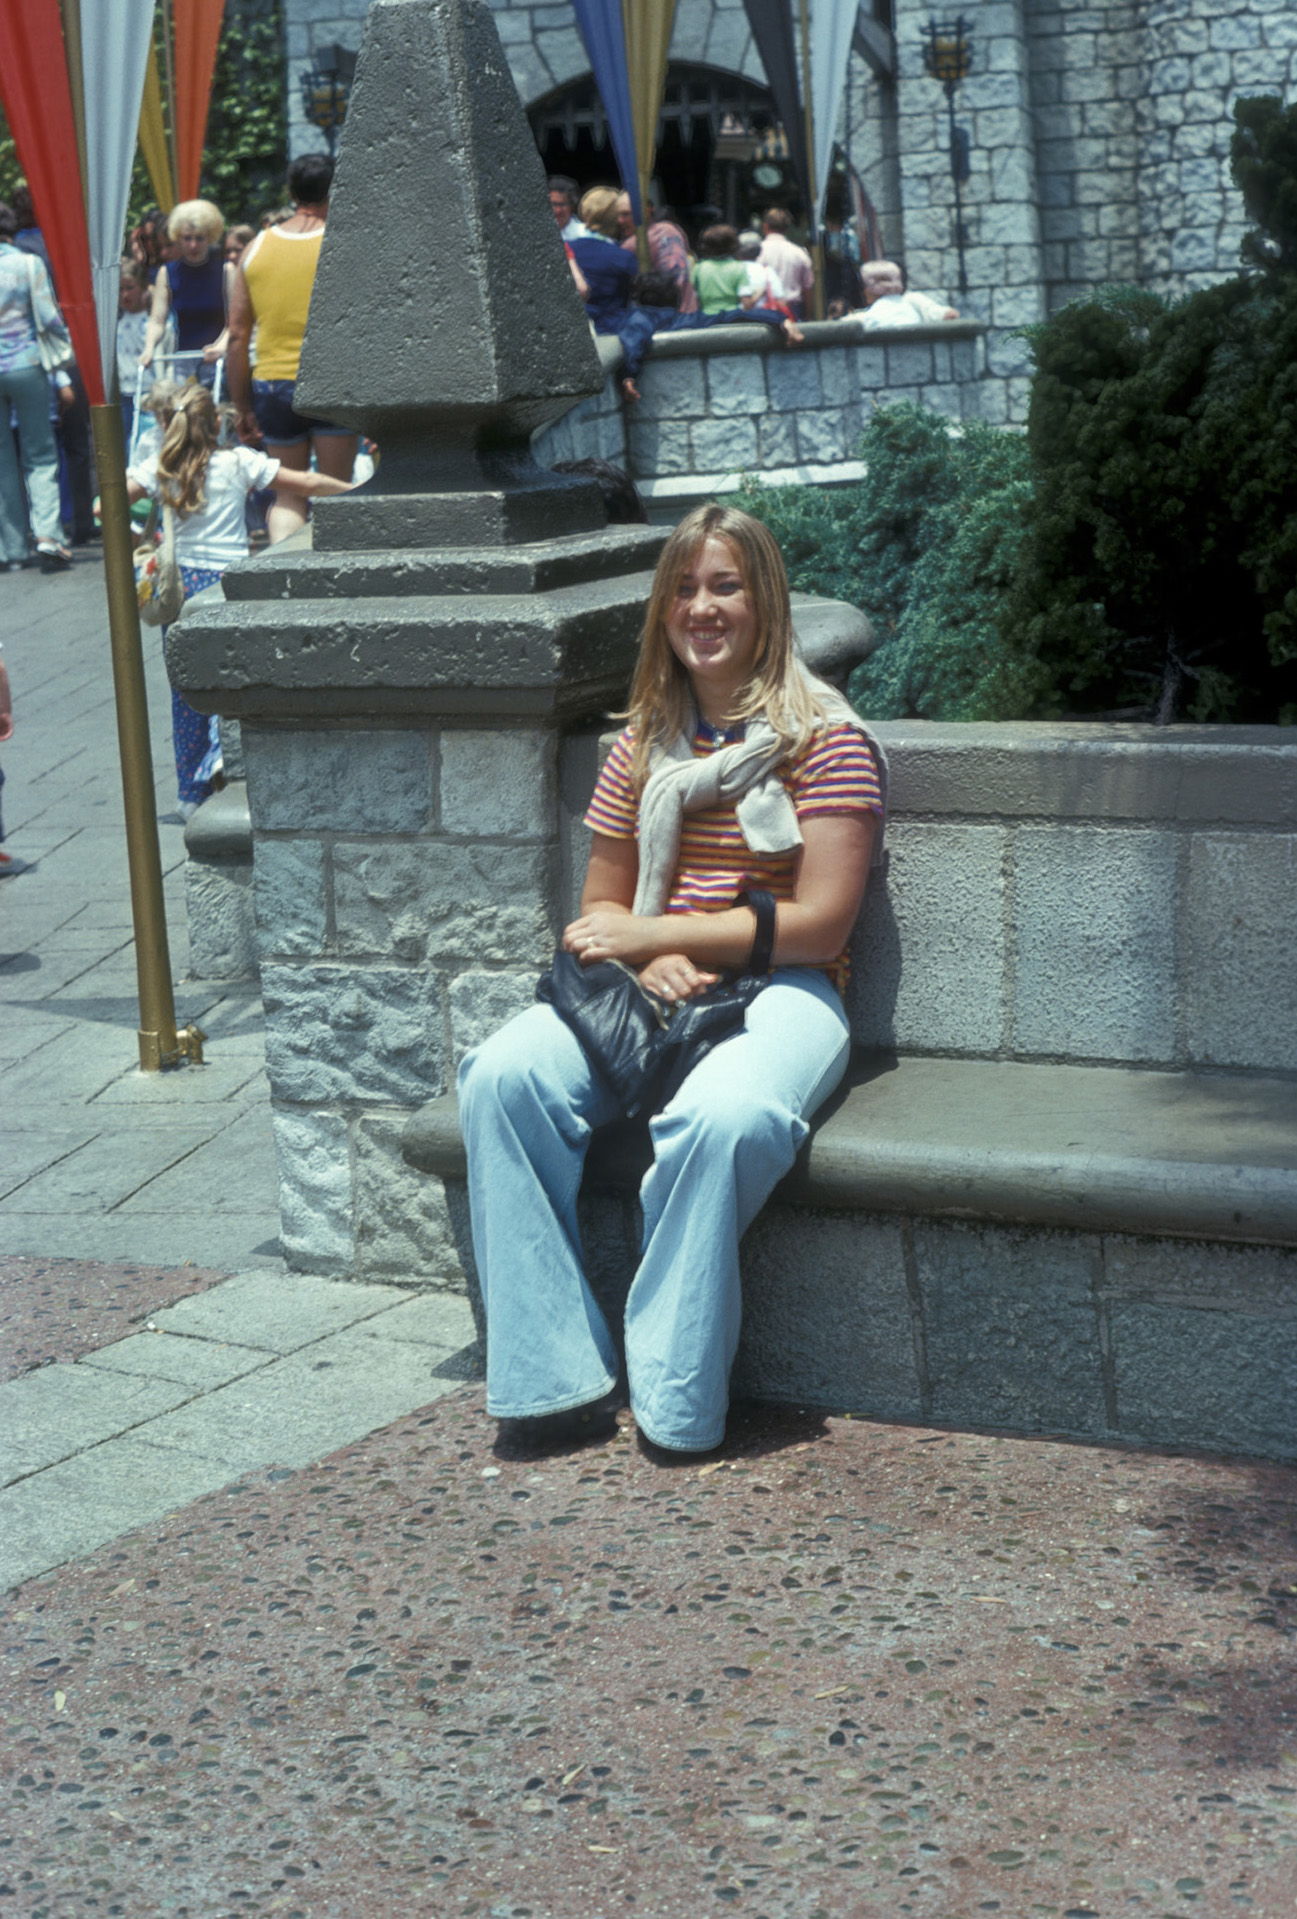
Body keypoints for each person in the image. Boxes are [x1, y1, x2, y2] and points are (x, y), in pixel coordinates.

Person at [458, 504, 886, 1455]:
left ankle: (675, 1396)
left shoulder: (826, 741)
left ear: (765, 600)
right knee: (499, 1077)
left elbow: (819, 925)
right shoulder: (643, 741)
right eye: (684, 588)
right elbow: (600, 910)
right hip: (651, 984)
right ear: (662, 609)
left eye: (725, 586)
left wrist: (659, 933)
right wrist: (651, 957)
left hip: (785, 989)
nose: (702, 607)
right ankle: (549, 1381)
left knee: (724, 1119)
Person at [125, 382, 353, 814]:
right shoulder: (239, 461)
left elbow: (105, 505)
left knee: (186, 688)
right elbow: (305, 481)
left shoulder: (162, 466)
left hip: (182, 588)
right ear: (216, 422)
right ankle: (222, 755)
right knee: (230, 676)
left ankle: (190, 794)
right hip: (227, 585)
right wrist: (355, 488)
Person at [225, 153, 359, 543]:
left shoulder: (256, 247)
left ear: (291, 191)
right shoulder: (343, 244)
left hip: (273, 385)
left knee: (288, 495)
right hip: (333, 381)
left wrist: (241, 406)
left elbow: (237, 336)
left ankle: (285, 570)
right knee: (336, 489)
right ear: (336, 190)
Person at [0, 200, 72, 572]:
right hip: (27, 364)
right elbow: (49, 317)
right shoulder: (28, 264)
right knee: (40, 454)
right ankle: (47, 536)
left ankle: (10, 549)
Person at [140, 199, 231, 383]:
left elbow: (234, 322)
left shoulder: (226, 271)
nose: (193, 245)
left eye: (200, 238)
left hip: (220, 361)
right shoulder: (167, 272)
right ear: (178, 238)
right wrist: (149, 349)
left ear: (210, 237)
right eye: (187, 238)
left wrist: (220, 346)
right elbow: (157, 320)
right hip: (183, 362)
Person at [569, 187, 637, 335]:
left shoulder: (566, 250)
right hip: (613, 332)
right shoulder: (622, 257)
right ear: (615, 218)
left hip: (573, 330)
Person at [617, 189, 697, 314]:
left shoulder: (632, 245)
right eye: (617, 215)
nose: (620, 220)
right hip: (685, 314)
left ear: (647, 211)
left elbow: (677, 279)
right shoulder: (670, 229)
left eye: (626, 214)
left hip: (664, 317)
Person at [854, 258, 958, 326]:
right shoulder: (908, 304)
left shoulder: (873, 316)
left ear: (870, 289)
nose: (864, 291)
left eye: (864, 286)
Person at [758, 208, 814, 319]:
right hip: (793, 311)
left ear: (765, 226)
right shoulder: (800, 253)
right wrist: (808, 317)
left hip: (764, 311)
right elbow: (807, 289)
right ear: (786, 229)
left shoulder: (757, 252)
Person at [548, 175, 589, 243]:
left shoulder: (585, 235)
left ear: (572, 206)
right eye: (553, 204)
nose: (558, 211)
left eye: (562, 205)